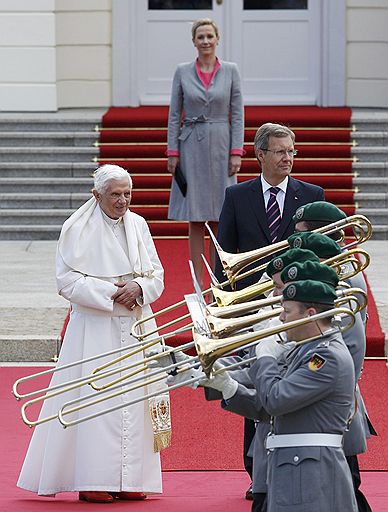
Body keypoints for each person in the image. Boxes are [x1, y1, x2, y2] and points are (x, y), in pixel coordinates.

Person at [17, 164, 168, 503]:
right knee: (96, 400)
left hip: (136, 324)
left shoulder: (139, 225)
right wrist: (113, 292)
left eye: (127, 193)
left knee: (135, 398)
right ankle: (93, 478)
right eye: (115, 194)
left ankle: (130, 478)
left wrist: (139, 287)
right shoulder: (76, 228)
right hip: (95, 328)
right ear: (96, 195)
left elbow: (157, 274)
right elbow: (66, 282)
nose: (123, 200)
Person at [215, 122, 324, 497]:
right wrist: (226, 309)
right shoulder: (237, 196)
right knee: (258, 380)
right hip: (253, 309)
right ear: (260, 155)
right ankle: (255, 471)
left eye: (292, 151)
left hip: (299, 308)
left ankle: (292, 467)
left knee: (292, 384)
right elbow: (225, 259)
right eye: (280, 151)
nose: (288, 158)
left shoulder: (311, 194)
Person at [167, 17, 244, 288]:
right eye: (200, 37)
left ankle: (217, 280)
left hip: (223, 146)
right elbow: (175, 113)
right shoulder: (182, 71)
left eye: (210, 36)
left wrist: (237, 151)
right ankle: (197, 282)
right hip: (191, 146)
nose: (206, 41)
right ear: (194, 41)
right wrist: (172, 151)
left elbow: (237, 113)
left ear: (217, 39)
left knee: (219, 216)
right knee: (196, 216)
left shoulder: (231, 71)